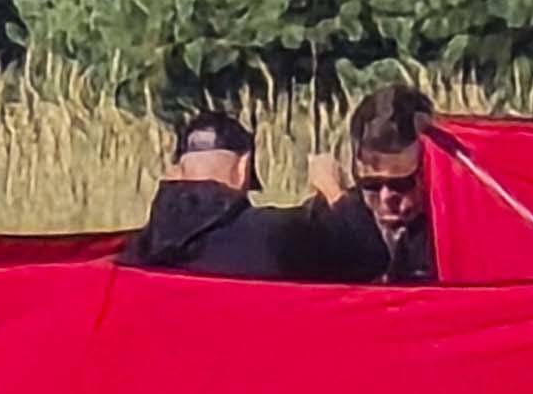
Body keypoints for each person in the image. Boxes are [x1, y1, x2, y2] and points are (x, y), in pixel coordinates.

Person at [124, 111, 369, 281]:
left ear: (176, 172)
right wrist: (333, 189)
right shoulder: (274, 236)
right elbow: (368, 257)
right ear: (244, 168)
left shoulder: (138, 251)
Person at [305, 82, 439, 285]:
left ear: (429, 172)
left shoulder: (449, 227)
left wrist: (336, 195)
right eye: (371, 184)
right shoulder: (334, 215)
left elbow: (376, 261)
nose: (386, 197)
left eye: (401, 184)